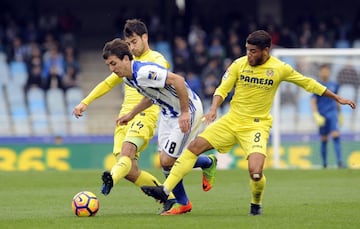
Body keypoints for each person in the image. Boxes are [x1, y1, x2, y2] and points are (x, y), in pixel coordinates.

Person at [140, 30, 356, 216]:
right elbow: (222, 89)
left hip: (257, 125)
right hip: (232, 120)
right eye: (247, 50)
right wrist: (214, 107)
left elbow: (308, 83)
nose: (249, 55)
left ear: (266, 50)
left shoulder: (280, 68)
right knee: (194, 147)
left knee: (255, 172)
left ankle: (256, 203)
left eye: (253, 51)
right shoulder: (239, 64)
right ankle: (165, 190)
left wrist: (337, 98)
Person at [100, 38, 217, 216]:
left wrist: (185, 112)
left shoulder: (144, 71)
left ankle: (183, 202)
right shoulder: (128, 79)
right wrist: (131, 114)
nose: (112, 69)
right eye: (109, 65)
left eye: (113, 63)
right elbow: (150, 96)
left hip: (188, 109)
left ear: (126, 58)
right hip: (168, 113)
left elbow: (178, 80)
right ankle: (205, 165)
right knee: (165, 161)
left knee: (167, 161)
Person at [72, 19, 176, 212]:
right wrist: (84, 102)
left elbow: (164, 83)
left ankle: (111, 179)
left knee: (126, 153)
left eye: (134, 41)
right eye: (128, 43)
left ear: (144, 38)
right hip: (124, 118)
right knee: (129, 170)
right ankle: (169, 198)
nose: (131, 46)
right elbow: (107, 83)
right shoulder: (127, 64)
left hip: (145, 114)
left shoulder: (157, 59)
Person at [311, 64, 344, 168]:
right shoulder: (317, 85)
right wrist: (316, 114)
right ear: (320, 72)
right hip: (322, 114)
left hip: (332, 113)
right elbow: (313, 101)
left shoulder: (334, 84)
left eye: (327, 71)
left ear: (329, 72)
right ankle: (324, 163)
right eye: (323, 71)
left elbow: (338, 99)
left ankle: (339, 162)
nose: (325, 73)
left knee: (335, 135)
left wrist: (340, 113)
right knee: (324, 138)